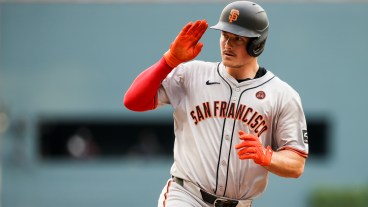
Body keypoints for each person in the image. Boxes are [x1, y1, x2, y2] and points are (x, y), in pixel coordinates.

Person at [124, 1, 309, 206]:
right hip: (186, 196)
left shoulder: (282, 95)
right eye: (224, 35)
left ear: (257, 44)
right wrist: (169, 60)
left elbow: (296, 164)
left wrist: (267, 157)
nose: (227, 44)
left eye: (237, 38)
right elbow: (133, 101)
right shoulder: (191, 73)